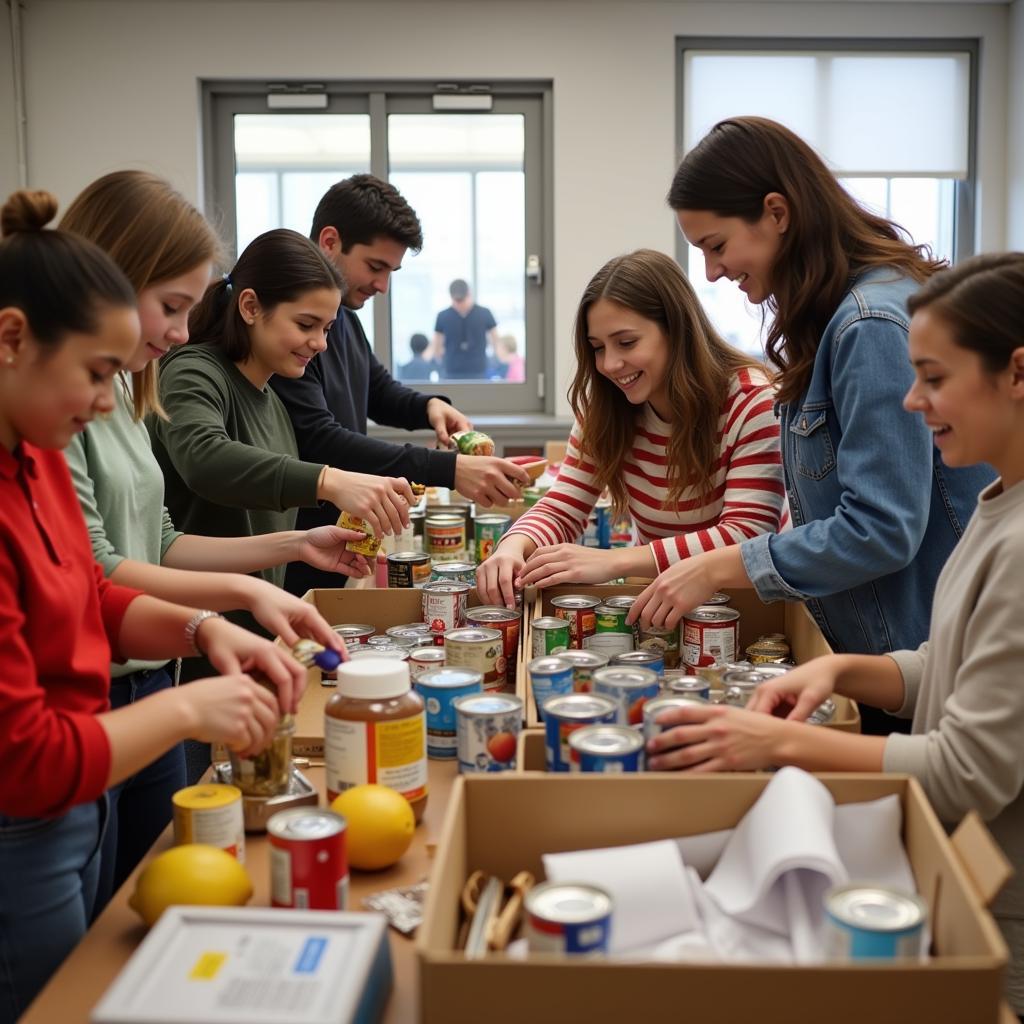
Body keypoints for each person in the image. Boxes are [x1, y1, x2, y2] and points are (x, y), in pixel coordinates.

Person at [644, 253, 1024, 1018]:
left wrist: (776, 745)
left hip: (1004, 914)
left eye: (935, 377)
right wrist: (844, 672)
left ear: (1016, 371)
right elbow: (949, 662)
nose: (912, 402)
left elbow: (965, 770)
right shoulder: (996, 503)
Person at [0, 189, 304, 1021]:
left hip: (80, 800)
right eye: (96, 374)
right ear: (12, 339)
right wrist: (186, 707)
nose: (108, 401)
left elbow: (94, 592)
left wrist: (204, 628)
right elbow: (25, 760)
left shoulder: (33, 459)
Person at [629, 117, 994, 735]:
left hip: (913, 665)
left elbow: (881, 529)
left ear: (776, 212)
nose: (713, 272)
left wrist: (719, 566)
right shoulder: (836, 317)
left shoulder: (868, 324)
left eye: (717, 246)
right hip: (888, 658)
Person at [59, 171, 362, 902]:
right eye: (170, 306)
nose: (180, 331)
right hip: (102, 697)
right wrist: (222, 610)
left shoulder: (131, 392)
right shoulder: (69, 406)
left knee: (152, 898)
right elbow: (100, 568)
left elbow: (161, 540)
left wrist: (290, 552)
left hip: (151, 677)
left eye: (189, 309)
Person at [476, 249, 785, 608]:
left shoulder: (753, 402)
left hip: (744, 607)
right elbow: (563, 506)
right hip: (657, 601)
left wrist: (615, 561)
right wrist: (513, 546)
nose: (609, 364)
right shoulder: (606, 409)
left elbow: (746, 539)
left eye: (626, 343)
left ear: (676, 330)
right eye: (597, 347)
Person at [271, 175, 530, 597]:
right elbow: (320, 439)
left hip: (335, 545)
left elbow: (377, 390)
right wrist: (449, 470)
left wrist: (429, 406)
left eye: (392, 271)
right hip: (292, 554)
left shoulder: (346, 322)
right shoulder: (293, 335)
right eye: (375, 267)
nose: (383, 286)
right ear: (330, 241)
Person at [433, 277, 499, 380]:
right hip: (451, 373)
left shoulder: (485, 313)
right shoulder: (442, 316)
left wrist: (498, 359)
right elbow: (437, 346)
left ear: (469, 294)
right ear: (451, 297)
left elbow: (496, 341)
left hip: (479, 372)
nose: (460, 304)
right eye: (457, 301)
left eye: (462, 300)